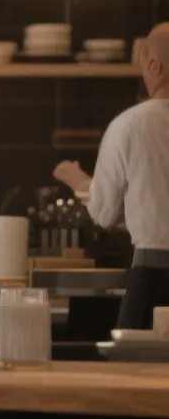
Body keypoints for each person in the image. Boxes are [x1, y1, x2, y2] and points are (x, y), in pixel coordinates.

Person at [54, 25, 169, 331]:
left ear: (155, 66)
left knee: (138, 361)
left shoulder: (129, 125)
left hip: (155, 276)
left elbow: (103, 212)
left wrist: (79, 182)